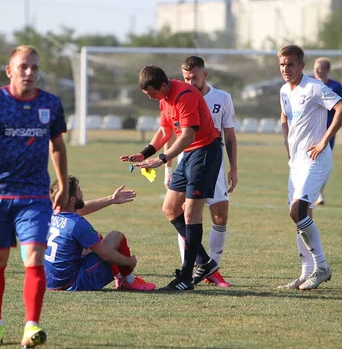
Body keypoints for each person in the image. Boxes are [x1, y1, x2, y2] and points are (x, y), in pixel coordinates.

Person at [0, 45, 69, 348]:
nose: (29, 73)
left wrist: (62, 184)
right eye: (23, 67)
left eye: (34, 68)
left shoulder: (50, 103)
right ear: (9, 71)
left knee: (34, 258)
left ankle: (30, 326)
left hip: (36, 196)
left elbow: (58, 147)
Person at [120, 65, 222, 291]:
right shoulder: (164, 98)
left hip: (205, 152)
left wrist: (163, 158)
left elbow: (188, 135)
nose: (151, 97)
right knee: (170, 208)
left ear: (163, 85)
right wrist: (145, 153)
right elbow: (165, 131)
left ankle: (186, 278)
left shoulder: (184, 95)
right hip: (189, 154)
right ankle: (204, 262)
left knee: (191, 213)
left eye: (152, 93)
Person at [277, 45, 342, 290]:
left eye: (290, 64)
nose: (285, 69)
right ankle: (306, 273)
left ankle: (322, 268)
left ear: (302, 66)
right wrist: (287, 142)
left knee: (297, 211)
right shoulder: (284, 90)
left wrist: (323, 140)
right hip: (296, 162)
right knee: (302, 217)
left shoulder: (315, 87)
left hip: (316, 159)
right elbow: (285, 118)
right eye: (282, 64)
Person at [164, 56, 237, 287]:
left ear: (205, 75)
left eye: (194, 77)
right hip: (188, 160)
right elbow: (170, 132)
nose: (190, 81)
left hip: (212, 160)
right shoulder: (179, 97)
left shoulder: (222, 98)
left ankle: (210, 264)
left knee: (220, 216)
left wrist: (233, 168)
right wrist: (167, 167)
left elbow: (230, 135)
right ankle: (198, 266)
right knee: (185, 212)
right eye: (186, 78)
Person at [44, 175, 155, 292]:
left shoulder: (50, 214)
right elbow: (107, 255)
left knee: (93, 239)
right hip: (74, 283)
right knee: (115, 236)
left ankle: (119, 277)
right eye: (78, 190)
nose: (81, 192)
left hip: (51, 282)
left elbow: (82, 209)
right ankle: (129, 280)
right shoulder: (77, 223)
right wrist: (129, 262)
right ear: (72, 199)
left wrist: (112, 199)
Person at [313, 57, 342, 205]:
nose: (317, 71)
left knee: (323, 163)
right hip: (311, 130)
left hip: (328, 131)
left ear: (326, 70)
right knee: (310, 161)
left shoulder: (335, 86)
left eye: (320, 68)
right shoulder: (310, 84)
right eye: (315, 68)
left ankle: (319, 191)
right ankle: (313, 192)